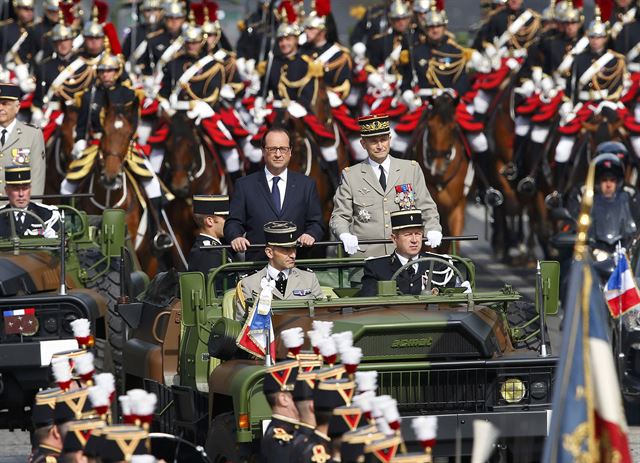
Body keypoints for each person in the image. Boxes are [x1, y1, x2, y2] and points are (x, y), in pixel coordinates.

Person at [330, 114, 441, 259]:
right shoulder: (351, 175)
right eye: (373, 141)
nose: (379, 146)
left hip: (403, 256)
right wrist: (344, 234)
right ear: (363, 144)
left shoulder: (410, 169)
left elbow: (426, 207)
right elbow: (340, 215)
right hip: (366, 258)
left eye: (383, 140)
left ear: (390, 139)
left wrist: (433, 228)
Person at [224, 128, 324, 260]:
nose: (278, 154)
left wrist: (311, 234)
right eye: (272, 149)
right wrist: (236, 237)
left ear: (290, 152)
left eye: (283, 149)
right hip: (258, 266)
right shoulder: (244, 185)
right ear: (263, 151)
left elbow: (317, 223)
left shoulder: (306, 185)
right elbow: (233, 222)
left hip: (296, 263)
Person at [359, 209, 465, 297]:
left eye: (418, 234)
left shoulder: (439, 264)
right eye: (408, 234)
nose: (414, 240)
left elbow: (453, 301)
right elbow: (369, 304)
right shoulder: (377, 268)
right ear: (394, 239)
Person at [235, 221, 325, 321]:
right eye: (286, 250)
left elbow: (322, 314)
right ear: (269, 252)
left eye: (294, 249)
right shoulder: (249, 283)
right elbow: (242, 326)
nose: (293, 255)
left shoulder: (308, 278)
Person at [0, 83, 45, 195]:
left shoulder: (32, 134)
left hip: (17, 208)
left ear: (17, 107)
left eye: (5, 104)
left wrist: (32, 210)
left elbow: (37, 176)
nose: (0, 108)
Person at [0, 165, 59, 239]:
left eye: (25, 188)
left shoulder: (46, 215)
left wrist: (54, 240)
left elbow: (62, 246)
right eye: (16, 189)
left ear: (30, 189)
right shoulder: (1, 216)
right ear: (7, 191)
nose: (21, 194)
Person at [260, 360, 301, 463]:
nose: (304, 398)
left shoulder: (293, 431)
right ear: (283, 399)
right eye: (301, 393)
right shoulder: (280, 439)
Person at [187, 195, 229, 274]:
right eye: (225, 217)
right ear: (210, 221)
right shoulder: (209, 253)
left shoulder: (213, 248)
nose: (229, 222)